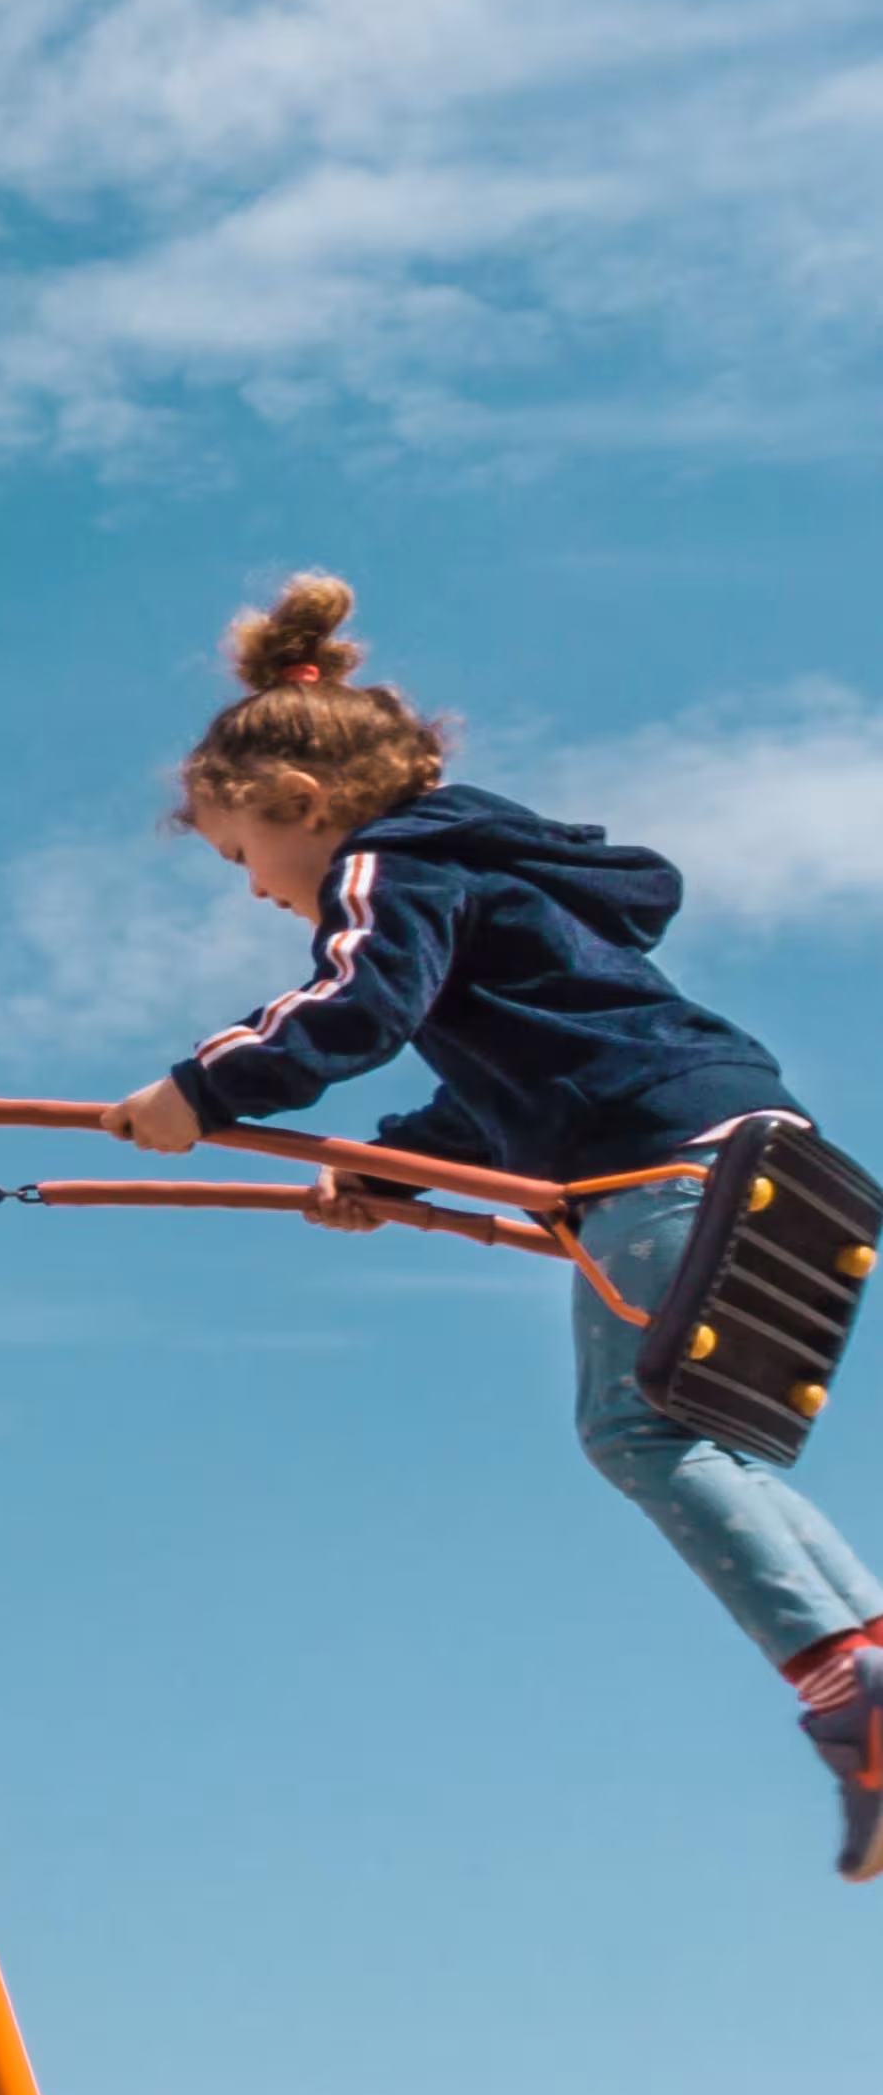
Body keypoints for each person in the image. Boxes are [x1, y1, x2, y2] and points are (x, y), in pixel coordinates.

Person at [103, 575, 882, 1881]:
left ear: (301, 808)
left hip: (661, 1170)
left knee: (632, 1432)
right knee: (695, 1440)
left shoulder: (389, 863)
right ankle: (860, 1670)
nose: (253, 892)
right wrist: (392, 1170)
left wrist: (198, 1090)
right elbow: (506, 1088)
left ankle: (844, 1681)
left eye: (244, 857)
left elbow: (353, 1010)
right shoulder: (502, 885)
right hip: (764, 1158)